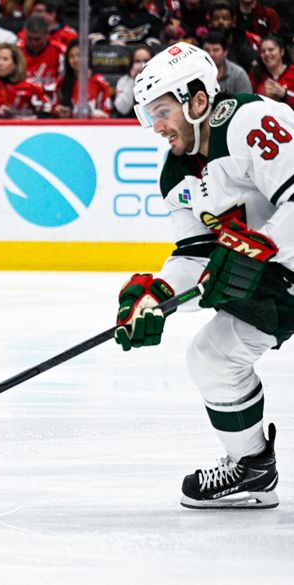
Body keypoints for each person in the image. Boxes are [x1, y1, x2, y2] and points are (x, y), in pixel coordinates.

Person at [115, 42, 294, 509]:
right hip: (283, 279)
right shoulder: (177, 173)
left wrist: (262, 247)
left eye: (162, 111)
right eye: (148, 114)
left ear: (198, 101)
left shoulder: (249, 120)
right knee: (213, 356)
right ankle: (252, 467)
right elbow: (197, 253)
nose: (155, 127)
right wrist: (158, 294)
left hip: (282, 265)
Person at [0, 43, 50, 118]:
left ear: (15, 64)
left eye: (5, 59)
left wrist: (25, 119)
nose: (0, 63)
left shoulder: (31, 86)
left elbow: (47, 113)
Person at [55, 41, 111, 118]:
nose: (75, 60)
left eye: (79, 55)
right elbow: (54, 108)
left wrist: (96, 115)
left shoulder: (100, 82)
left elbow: (106, 115)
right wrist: (58, 110)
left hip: (94, 128)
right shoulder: (62, 82)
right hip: (68, 128)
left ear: (88, 56)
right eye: (71, 56)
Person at [17, 14, 65, 98]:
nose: (33, 43)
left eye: (37, 39)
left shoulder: (60, 51)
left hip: (50, 99)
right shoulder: (16, 51)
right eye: (30, 38)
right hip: (21, 98)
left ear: (47, 35)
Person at [209, 1, 260, 71]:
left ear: (233, 21)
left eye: (225, 18)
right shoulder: (204, 43)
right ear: (210, 22)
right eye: (216, 18)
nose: (220, 22)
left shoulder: (241, 41)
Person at [90, 0, 163, 47]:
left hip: (142, 61)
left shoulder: (152, 17)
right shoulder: (106, 12)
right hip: (112, 59)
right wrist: (109, 44)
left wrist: (142, 49)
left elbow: (155, 42)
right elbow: (94, 36)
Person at [202, 30, 253, 95]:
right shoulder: (194, 73)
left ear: (225, 52)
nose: (211, 54)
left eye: (216, 50)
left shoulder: (238, 75)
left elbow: (247, 103)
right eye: (207, 50)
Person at [114, 45, 152, 117]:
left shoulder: (160, 79)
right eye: (137, 61)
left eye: (146, 61)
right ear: (131, 63)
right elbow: (122, 109)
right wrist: (132, 80)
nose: (142, 65)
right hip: (130, 124)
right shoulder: (124, 81)